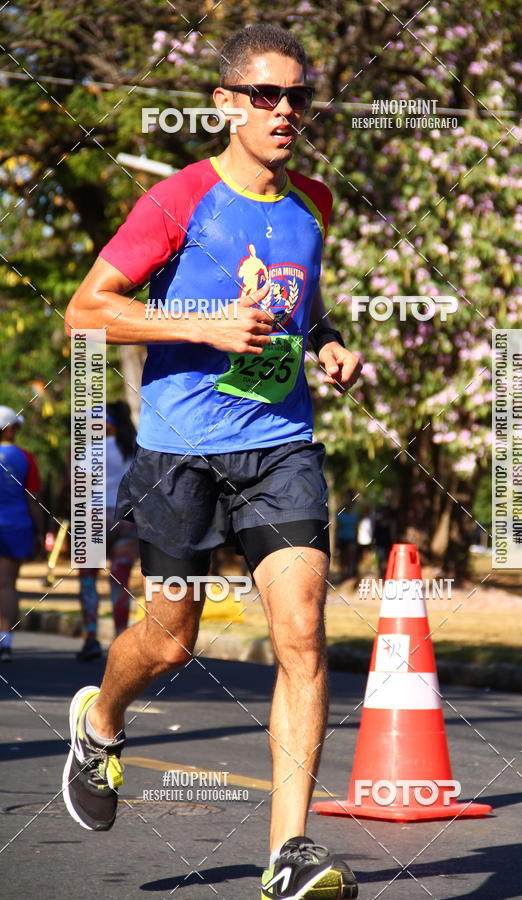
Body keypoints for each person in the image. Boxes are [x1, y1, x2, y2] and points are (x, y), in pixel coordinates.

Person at [61, 24, 361, 900]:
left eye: (298, 96)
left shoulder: (312, 205)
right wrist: (200, 324)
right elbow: (87, 311)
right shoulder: (177, 201)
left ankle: (290, 854)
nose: (286, 112)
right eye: (266, 95)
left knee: (302, 634)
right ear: (226, 103)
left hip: (281, 450)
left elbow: (304, 302)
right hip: (179, 454)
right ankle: (101, 722)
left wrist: (330, 343)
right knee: (170, 641)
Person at [76, 401, 138, 661]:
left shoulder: (92, 450)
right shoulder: (136, 450)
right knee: (119, 581)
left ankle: (91, 638)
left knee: (88, 578)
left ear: (107, 424)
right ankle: (120, 638)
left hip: (95, 518)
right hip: (128, 521)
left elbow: (79, 488)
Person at [0, 406, 44, 661]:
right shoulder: (25, 458)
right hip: (16, 527)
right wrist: (39, 532)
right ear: (8, 429)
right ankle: (5, 642)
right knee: (7, 585)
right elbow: (34, 499)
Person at [335, 495, 359, 582]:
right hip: (342, 538)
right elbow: (337, 528)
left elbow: (356, 528)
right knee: (343, 558)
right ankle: (343, 574)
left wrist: (356, 539)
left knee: (351, 556)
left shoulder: (354, 516)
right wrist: (336, 540)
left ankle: (350, 574)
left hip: (351, 538)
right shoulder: (340, 515)